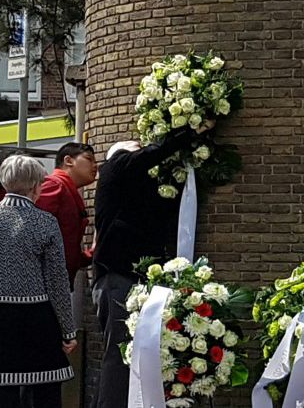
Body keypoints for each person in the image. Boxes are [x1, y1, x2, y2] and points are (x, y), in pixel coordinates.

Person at [92, 126, 209, 408]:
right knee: (120, 354)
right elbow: (145, 157)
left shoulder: (129, 193)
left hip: (131, 276)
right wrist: (187, 132)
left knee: (129, 353)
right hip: (117, 275)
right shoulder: (116, 165)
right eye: (136, 146)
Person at [0, 155, 77, 407]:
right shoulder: (45, 223)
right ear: (35, 186)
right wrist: (67, 330)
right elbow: (57, 281)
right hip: (36, 320)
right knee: (44, 394)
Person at [35, 142, 98, 284]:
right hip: (45, 284)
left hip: (57, 283)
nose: (95, 166)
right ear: (68, 161)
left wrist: (91, 254)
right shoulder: (54, 185)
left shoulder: (66, 188)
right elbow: (36, 232)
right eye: (89, 159)